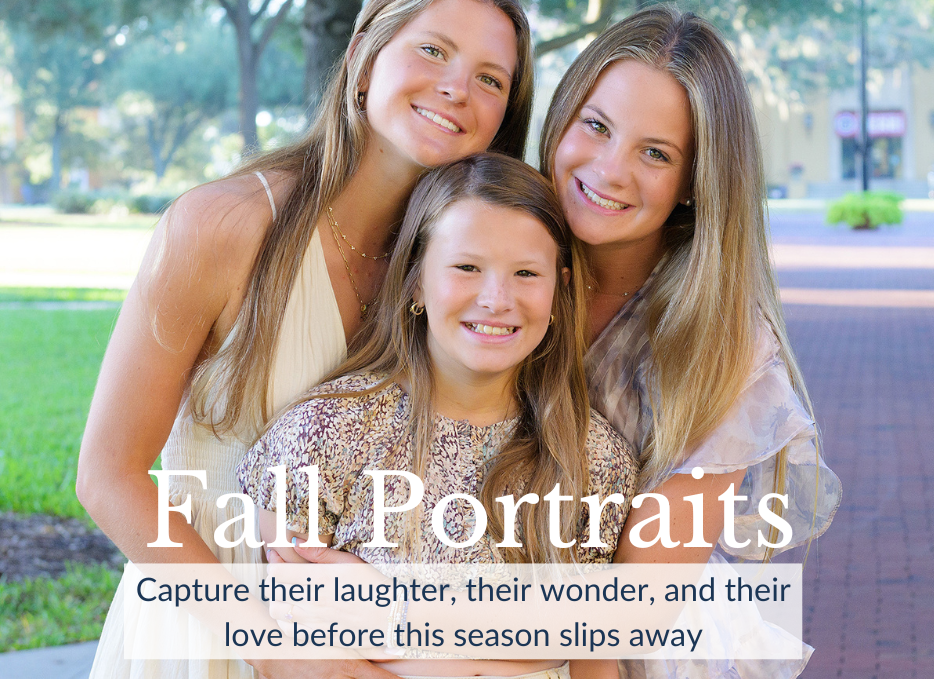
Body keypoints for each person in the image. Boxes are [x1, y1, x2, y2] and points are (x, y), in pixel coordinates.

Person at [76, 0, 535, 679]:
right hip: (210, 624)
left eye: (490, 78)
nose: (457, 87)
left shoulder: (465, 284)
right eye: (433, 49)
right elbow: (108, 475)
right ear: (362, 58)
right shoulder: (222, 226)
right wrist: (272, 645)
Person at [238, 155, 637, 679]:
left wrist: (393, 609)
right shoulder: (327, 433)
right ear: (416, 280)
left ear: (559, 291)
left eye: (526, 273)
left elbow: (590, 647)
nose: (497, 299)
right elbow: (300, 655)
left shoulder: (591, 457)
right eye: (467, 267)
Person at [539, 5, 843, 678]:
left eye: (655, 153)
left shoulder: (720, 337)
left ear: (692, 185)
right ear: (562, 117)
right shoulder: (495, 260)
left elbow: (633, 610)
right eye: (596, 126)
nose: (610, 169)